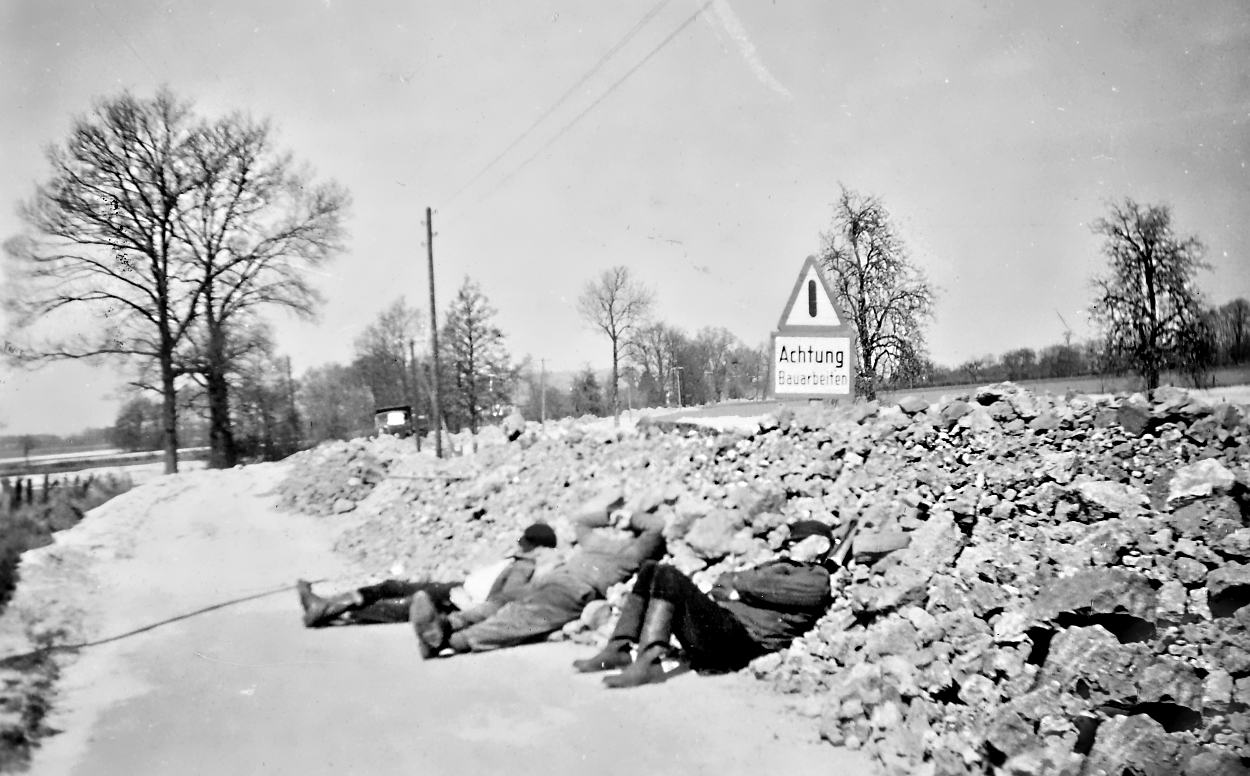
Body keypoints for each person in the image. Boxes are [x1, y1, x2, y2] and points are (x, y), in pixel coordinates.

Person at [571, 519, 836, 688]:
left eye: (799, 541)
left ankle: (650, 660)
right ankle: (618, 647)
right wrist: (740, 588)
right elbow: (723, 583)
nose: (791, 545)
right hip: (722, 628)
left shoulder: (816, 578)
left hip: (744, 641)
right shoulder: (778, 565)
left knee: (669, 576)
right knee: (652, 568)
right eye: (791, 540)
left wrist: (740, 588)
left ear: (822, 545)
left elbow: (759, 586)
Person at [409, 510, 666, 658]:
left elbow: (656, 527)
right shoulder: (601, 542)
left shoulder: (633, 552)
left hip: (574, 589)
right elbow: (581, 522)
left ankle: (449, 640)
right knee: (502, 602)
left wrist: (631, 517)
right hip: (556, 581)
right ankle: (446, 626)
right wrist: (611, 515)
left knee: (517, 617)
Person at [295, 522, 558, 628]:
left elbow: (503, 600)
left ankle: (329, 611)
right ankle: (327, 606)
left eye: (525, 542)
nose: (519, 544)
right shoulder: (519, 561)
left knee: (398, 606)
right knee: (392, 586)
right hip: (457, 589)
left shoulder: (525, 568)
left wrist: (470, 604)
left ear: (537, 547)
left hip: (460, 600)